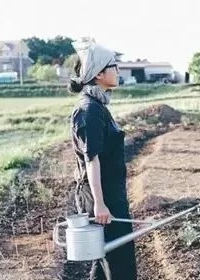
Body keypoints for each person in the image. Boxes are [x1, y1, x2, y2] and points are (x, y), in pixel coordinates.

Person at [68, 39, 137, 280]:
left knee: (106, 261)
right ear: (98, 73)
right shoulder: (89, 110)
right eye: (114, 66)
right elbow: (91, 159)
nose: (118, 71)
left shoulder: (98, 105)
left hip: (108, 193)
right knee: (121, 266)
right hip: (102, 196)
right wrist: (100, 204)